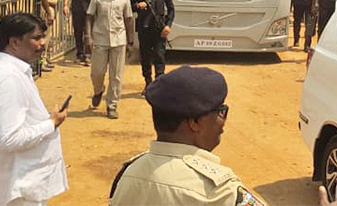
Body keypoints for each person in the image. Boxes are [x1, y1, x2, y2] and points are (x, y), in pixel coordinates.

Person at [108, 66, 267, 206]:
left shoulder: (128, 174)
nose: (223, 121)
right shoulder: (218, 191)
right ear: (195, 122)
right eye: (220, 112)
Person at [0, 13, 68, 206]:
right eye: (36, 38)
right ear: (15, 42)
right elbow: (8, 139)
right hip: (17, 185)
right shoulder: (8, 77)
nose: (43, 43)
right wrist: (51, 124)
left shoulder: (13, 71)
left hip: (23, 180)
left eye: (43, 37)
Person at [87, 0, 135, 119]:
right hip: (100, 40)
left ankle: (112, 105)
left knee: (116, 76)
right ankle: (98, 90)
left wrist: (130, 40)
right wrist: (88, 36)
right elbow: (89, 17)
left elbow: (128, 20)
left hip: (119, 41)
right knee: (97, 72)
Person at [131, 0, 174, 89]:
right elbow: (129, 6)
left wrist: (168, 26)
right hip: (144, 28)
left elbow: (171, 9)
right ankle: (148, 83)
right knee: (145, 56)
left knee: (159, 56)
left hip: (159, 29)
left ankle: (159, 84)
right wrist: (138, 5)